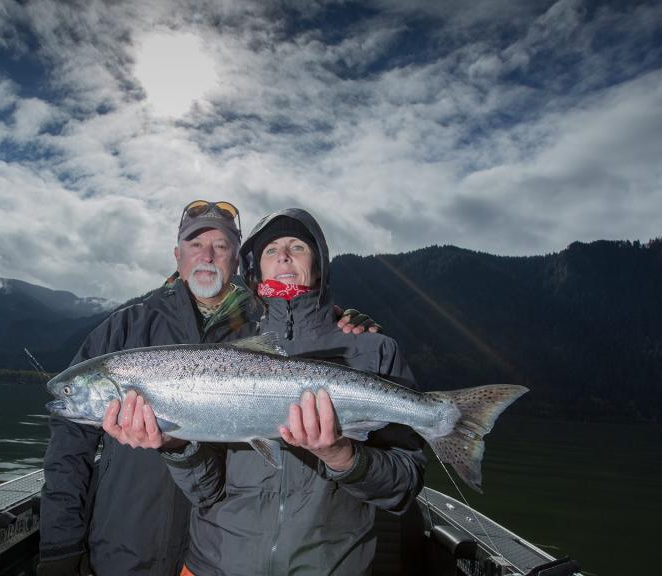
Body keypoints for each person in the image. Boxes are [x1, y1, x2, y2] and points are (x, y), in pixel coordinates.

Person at [38, 201, 378, 576]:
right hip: (127, 544)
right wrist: (60, 544)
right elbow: (68, 447)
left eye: (221, 246)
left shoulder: (267, 328)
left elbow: (308, 324)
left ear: (237, 260)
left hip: (220, 554)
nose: (206, 255)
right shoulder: (125, 329)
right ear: (177, 254)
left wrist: (346, 321)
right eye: (195, 243)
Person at [112, 208, 425, 575]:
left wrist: (343, 456)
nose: (285, 256)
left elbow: (404, 487)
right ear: (256, 270)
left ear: (320, 264)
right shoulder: (223, 350)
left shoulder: (373, 349)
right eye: (271, 251)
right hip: (214, 566)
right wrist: (175, 446)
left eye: (297, 247)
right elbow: (204, 493)